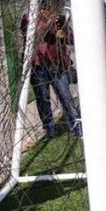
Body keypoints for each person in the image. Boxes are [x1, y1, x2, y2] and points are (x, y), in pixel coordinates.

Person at [24, 8, 82, 139]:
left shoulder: (59, 22)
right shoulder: (30, 18)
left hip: (57, 65)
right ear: (43, 9)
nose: (52, 13)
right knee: (43, 99)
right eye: (49, 9)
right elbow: (37, 33)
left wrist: (65, 27)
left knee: (65, 96)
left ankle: (76, 127)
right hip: (38, 67)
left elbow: (71, 40)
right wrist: (50, 22)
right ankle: (50, 131)